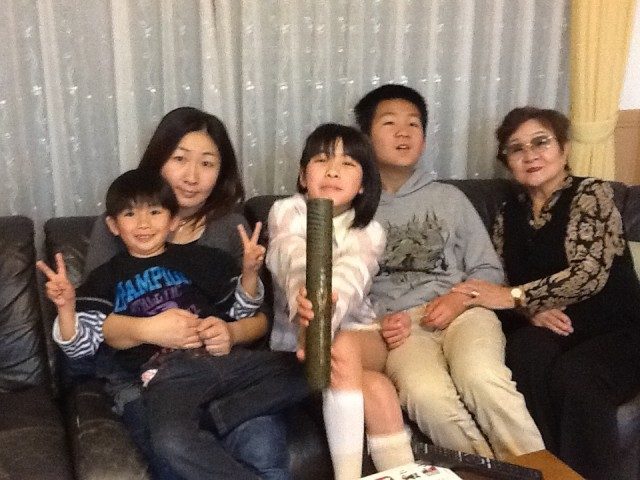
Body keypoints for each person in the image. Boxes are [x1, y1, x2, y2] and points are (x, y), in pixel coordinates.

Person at [38, 169, 309, 480]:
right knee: (171, 443)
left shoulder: (203, 259)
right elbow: (80, 346)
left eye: (155, 212)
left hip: (227, 362)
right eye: (130, 214)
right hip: (167, 375)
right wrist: (67, 308)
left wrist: (249, 274)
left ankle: (219, 417)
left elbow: (241, 310)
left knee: (317, 368)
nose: (143, 223)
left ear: (173, 221)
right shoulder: (105, 278)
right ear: (113, 225)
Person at [80, 107, 292, 479]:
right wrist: (149, 329)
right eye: (179, 159)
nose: (192, 177)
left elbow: (261, 319)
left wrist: (230, 332)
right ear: (158, 160)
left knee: (263, 446)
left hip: (224, 369)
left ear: (221, 172)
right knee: (173, 456)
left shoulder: (230, 228)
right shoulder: (118, 226)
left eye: (207, 164)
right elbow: (95, 322)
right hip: (144, 376)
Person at [353, 84, 544, 460]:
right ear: (365, 138)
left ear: (424, 139)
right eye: (389, 123)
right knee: (425, 395)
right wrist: (379, 322)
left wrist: (459, 299)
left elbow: (489, 269)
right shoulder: (354, 209)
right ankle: (488, 473)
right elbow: (346, 290)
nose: (404, 132)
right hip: (402, 330)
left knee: (481, 376)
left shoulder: (450, 199)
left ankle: (539, 470)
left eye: (414, 124)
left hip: (464, 312)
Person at [452, 106, 640, 479]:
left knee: (577, 377)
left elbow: (588, 274)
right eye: (516, 148)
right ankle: (547, 471)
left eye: (541, 142)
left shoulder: (592, 194)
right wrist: (528, 310)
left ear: (564, 149)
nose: (530, 155)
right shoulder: (509, 212)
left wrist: (516, 297)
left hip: (619, 329)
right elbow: (501, 280)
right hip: (556, 326)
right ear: (507, 161)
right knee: (525, 353)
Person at [267, 123, 414, 480]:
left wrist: (322, 318)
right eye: (321, 160)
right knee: (378, 391)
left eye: (348, 163)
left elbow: (352, 276)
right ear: (303, 175)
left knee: (342, 344)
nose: (333, 170)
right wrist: (304, 299)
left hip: (360, 335)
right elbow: (291, 256)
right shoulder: (285, 212)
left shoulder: (370, 231)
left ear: (363, 184)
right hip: (298, 344)